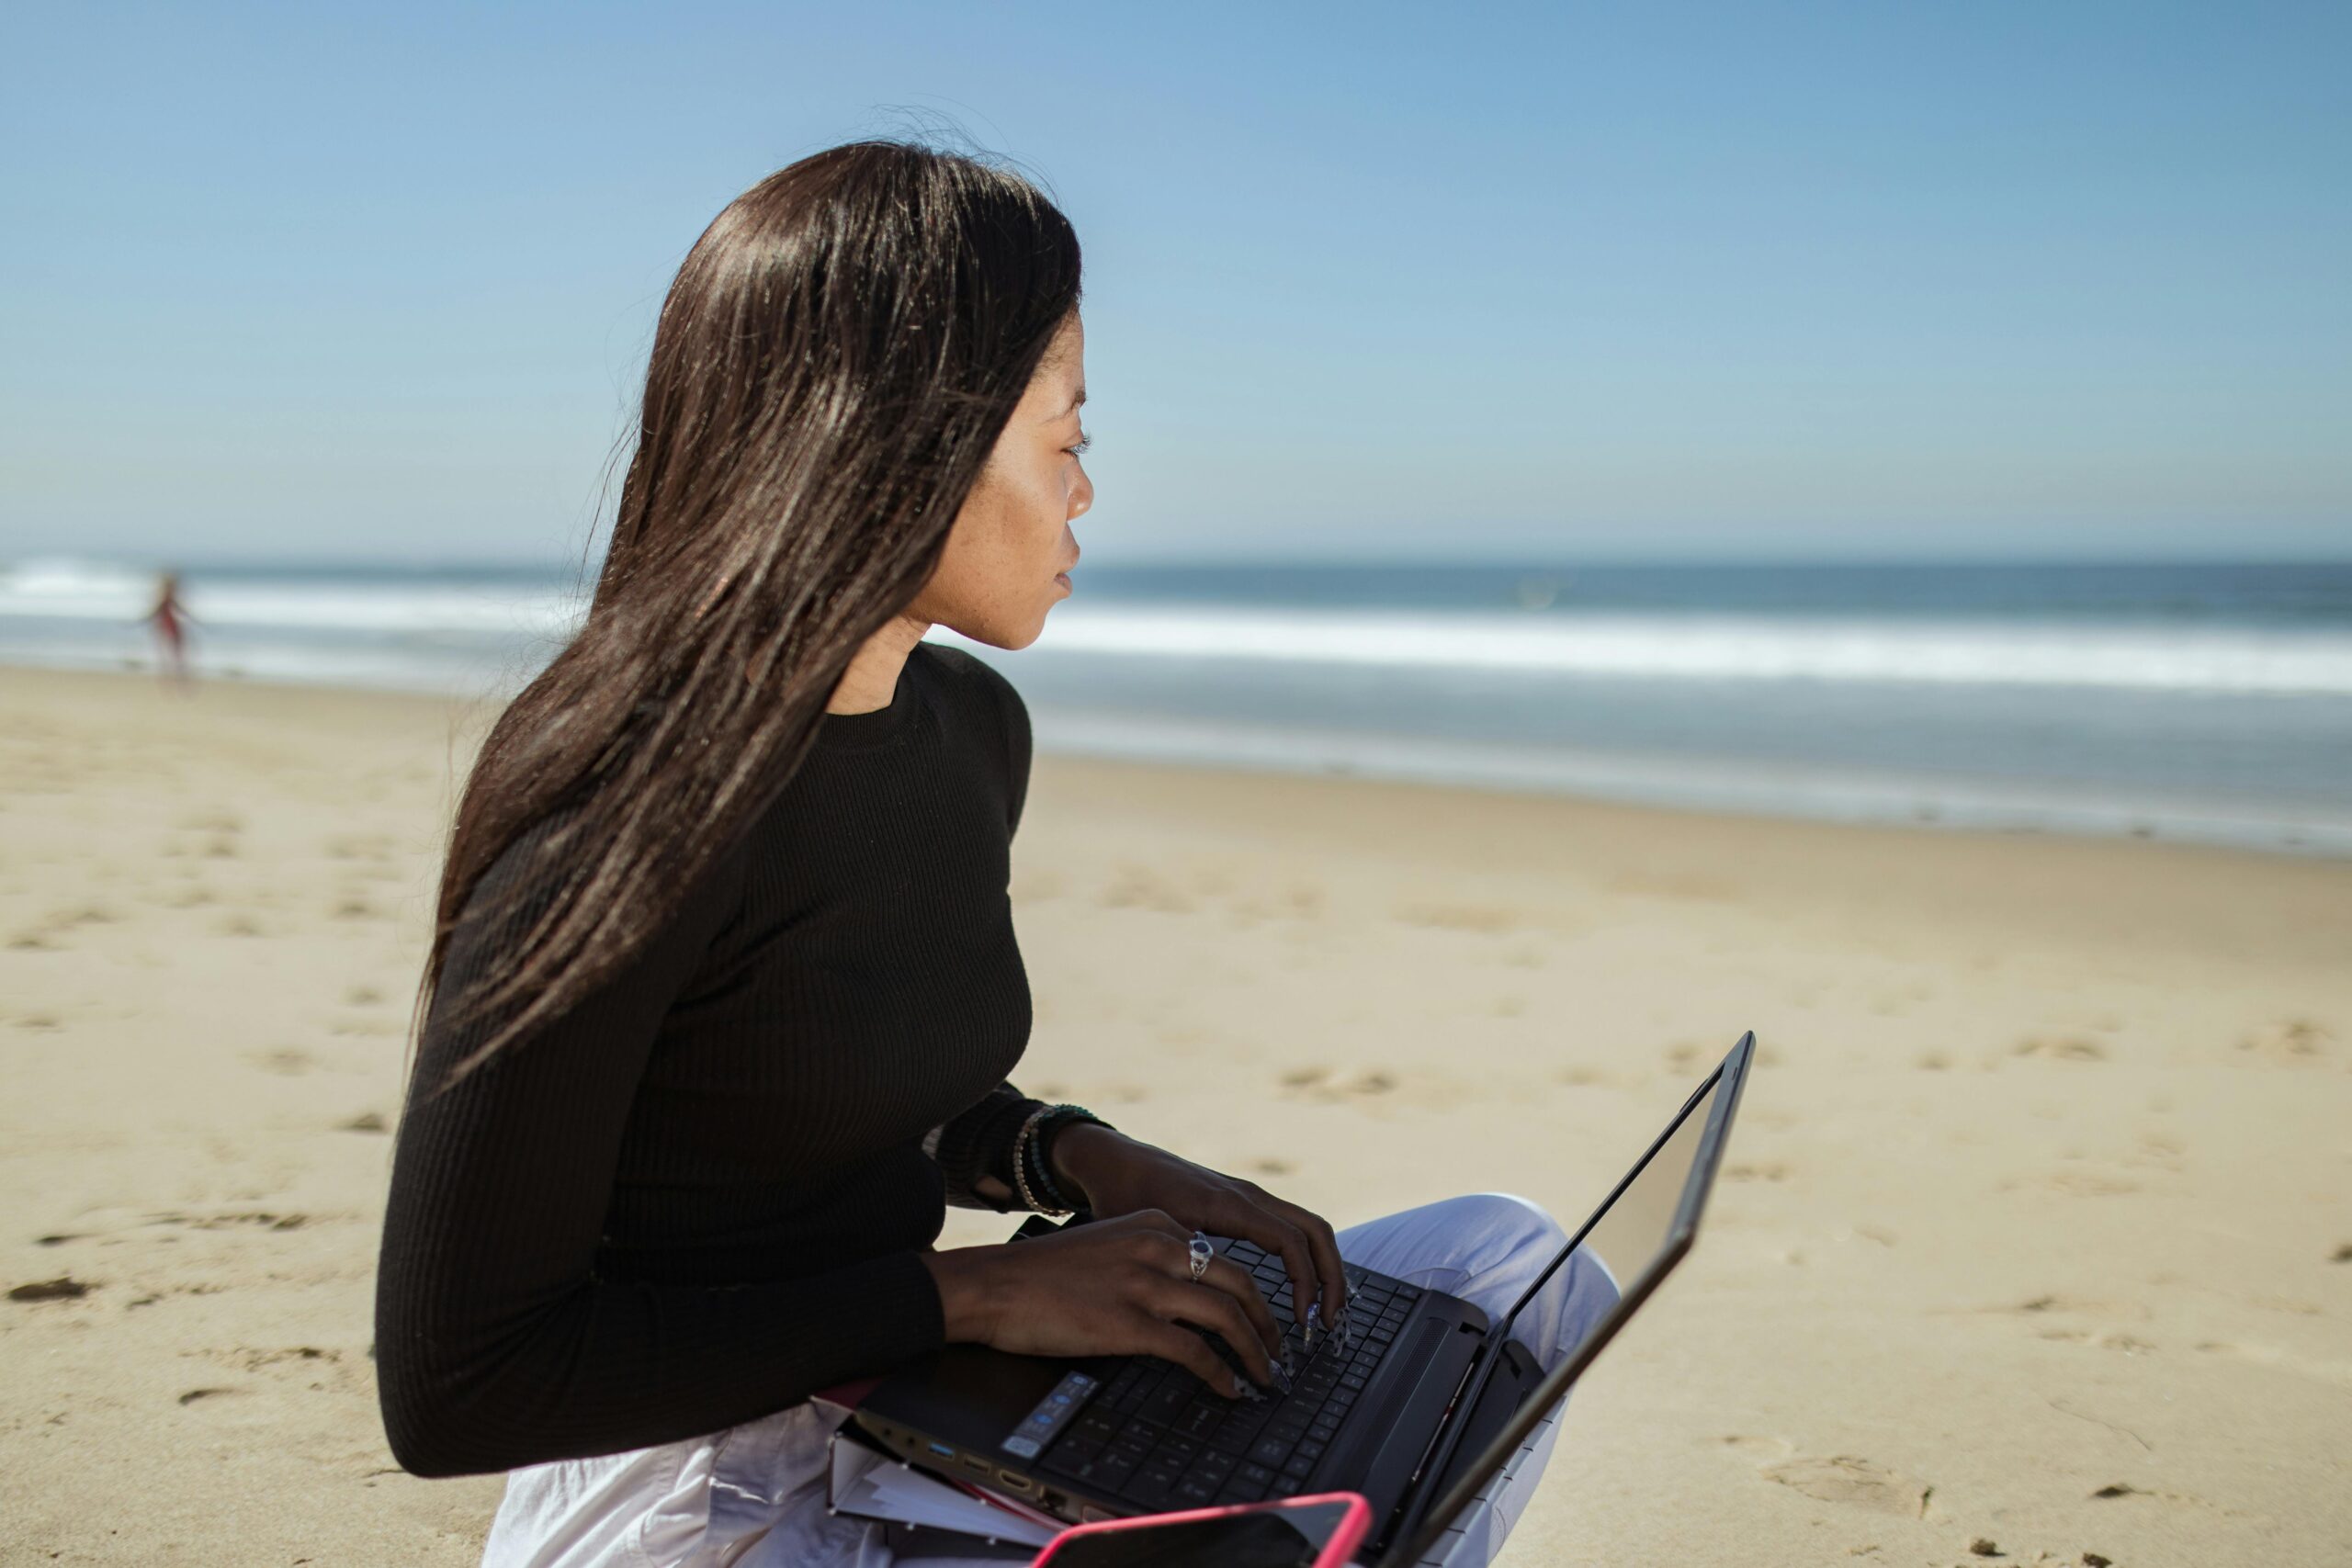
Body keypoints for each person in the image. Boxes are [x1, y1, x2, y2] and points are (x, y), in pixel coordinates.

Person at [373, 139, 1611, 1568]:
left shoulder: (967, 730)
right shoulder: (622, 806)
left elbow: (847, 1081)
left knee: (1510, 1272)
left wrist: (1079, 1157)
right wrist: (965, 1298)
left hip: (923, 1402)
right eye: (1067, 430)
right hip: (696, 1487)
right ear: (906, 438)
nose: (1086, 488)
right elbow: (459, 1381)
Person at [143, 569, 197, 690]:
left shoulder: (168, 600)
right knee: (168, 656)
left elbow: (182, 613)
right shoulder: (165, 600)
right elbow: (153, 614)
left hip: (171, 627)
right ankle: (169, 681)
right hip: (166, 628)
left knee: (175, 655)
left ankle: (174, 680)